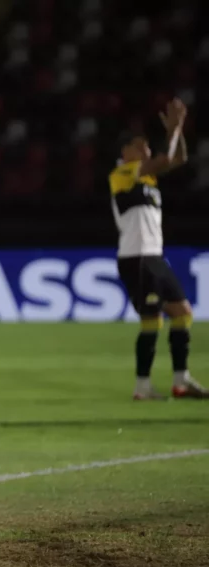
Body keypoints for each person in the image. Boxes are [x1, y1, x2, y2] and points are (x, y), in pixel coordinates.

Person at [112, 97, 207, 400]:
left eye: (147, 147)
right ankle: (142, 387)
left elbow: (177, 158)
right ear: (125, 152)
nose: (146, 152)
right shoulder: (122, 175)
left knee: (183, 312)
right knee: (152, 321)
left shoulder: (148, 177)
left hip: (155, 257)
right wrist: (175, 128)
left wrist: (176, 133)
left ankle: (181, 381)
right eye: (140, 147)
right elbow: (167, 157)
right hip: (136, 258)